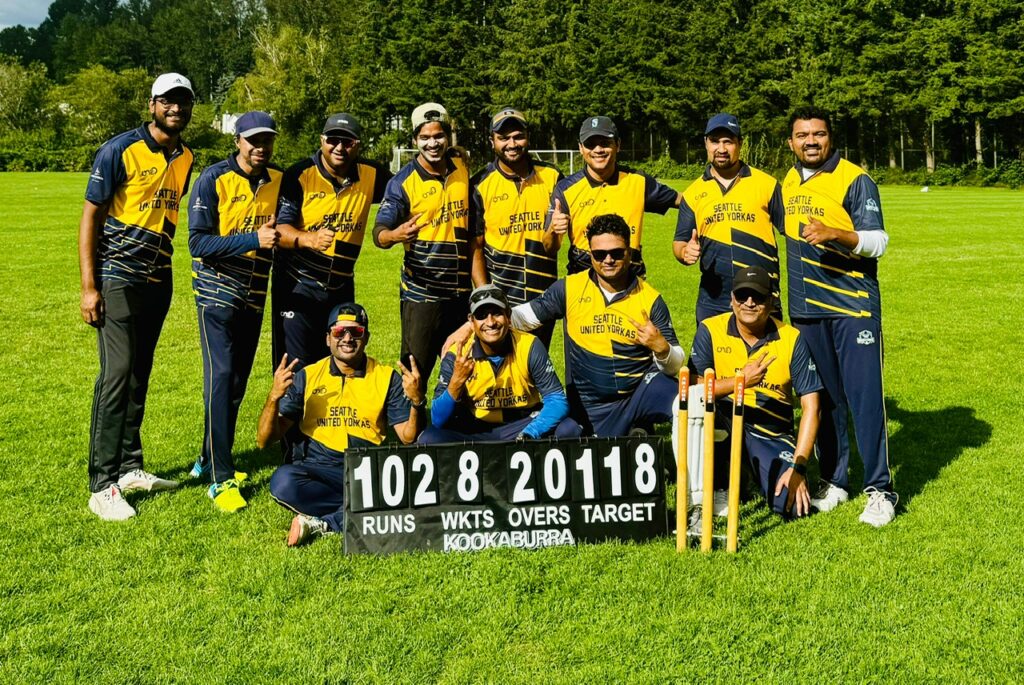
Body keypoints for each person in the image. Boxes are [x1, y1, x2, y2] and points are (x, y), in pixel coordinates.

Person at [79, 72, 195, 521]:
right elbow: (91, 218)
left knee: (139, 374)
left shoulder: (185, 156)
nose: (175, 108)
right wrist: (90, 287)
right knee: (117, 375)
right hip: (118, 277)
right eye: (167, 101)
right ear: (152, 105)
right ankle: (102, 484)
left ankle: (129, 468)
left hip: (157, 279)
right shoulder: (119, 150)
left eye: (183, 101)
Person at [459, 214, 685, 437]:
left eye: (616, 253)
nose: (608, 260)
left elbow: (675, 365)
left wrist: (662, 349)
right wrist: (471, 327)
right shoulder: (570, 288)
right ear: (590, 253)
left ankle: (683, 461)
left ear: (629, 251)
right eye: (599, 254)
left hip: (638, 393)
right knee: (574, 438)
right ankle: (634, 430)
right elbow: (522, 316)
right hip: (588, 406)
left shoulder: (650, 298)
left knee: (687, 402)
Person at [780, 107, 897, 526]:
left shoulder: (854, 178)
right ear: (791, 142)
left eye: (818, 134)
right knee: (824, 398)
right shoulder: (788, 181)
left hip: (853, 307)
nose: (811, 141)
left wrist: (837, 234)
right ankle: (835, 481)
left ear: (830, 138)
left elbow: (878, 241)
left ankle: (880, 490)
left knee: (865, 399)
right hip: (807, 311)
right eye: (802, 135)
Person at [260, 303, 424, 546]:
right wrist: (274, 397)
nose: (347, 338)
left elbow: (408, 437)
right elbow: (264, 440)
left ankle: (324, 523)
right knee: (283, 482)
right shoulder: (308, 375)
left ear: (366, 337)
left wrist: (417, 402)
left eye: (356, 332)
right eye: (339, 332)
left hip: (365, 467)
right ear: (328, 338)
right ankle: (367, 505)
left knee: (405, 485)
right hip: (319, 467)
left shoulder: (386, 377)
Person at [187, 111, 283, 512]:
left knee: (237, 381)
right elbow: (197, 243)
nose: (260, 147)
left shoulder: (278, 180)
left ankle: (207, 458)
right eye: (253, 140)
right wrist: (253, 239)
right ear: (237, 141)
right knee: (222, 376)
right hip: (216, 291)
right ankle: (220, 479)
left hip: (255, 292)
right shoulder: (213, 178)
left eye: (267, 140)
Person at [687, 266, 821, 528]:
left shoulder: (791, 338)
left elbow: (812, 407)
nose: (749, 302)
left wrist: (799, 468)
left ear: (771, 301)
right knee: (699, 413)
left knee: (792, 506)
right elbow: (693, 390)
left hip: (770, 432)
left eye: (758, 296)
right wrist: (741, 382)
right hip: (725, 421)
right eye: (742, 295)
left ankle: (749, 473)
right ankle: (712, 488)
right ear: (731, 299)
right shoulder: (710, 329)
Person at [272, 113, 392, 368]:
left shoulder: (372, 174)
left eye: (347, 142)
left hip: (341, 285)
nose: (339, 147)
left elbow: (408, 188)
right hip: (298, 284)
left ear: (358, 145)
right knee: (294, 366)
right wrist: (309, 239)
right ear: (321, 140)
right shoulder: (299, 174)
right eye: (333, 140)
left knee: (338, 362)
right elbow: (279, 231)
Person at [373, 102, 473, 393]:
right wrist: (395, 234)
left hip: (460, 294)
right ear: (414, 139)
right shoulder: (402, 182)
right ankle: (410, 420)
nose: (433, 143)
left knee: (465, 369)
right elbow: (379, 233)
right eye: (425, 137)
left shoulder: (461, 167)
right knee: (415, 371)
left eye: (438, 136)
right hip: (422, 295)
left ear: (448, 136)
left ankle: (456, 420)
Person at [420, 285, 581, 443]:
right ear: (471, 321)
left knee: (570, 429)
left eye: (497, 313)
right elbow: (438, 419)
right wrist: (456, 381)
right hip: (475, 428)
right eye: (482, 315)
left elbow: (557, 400)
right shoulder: (457, 354)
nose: (490, 322)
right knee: (430, 438)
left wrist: (530, 433)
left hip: (523, 423)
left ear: (508, 316)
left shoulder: (529, 345)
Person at [673, 114, 785, 323]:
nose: (721, 149)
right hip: (713, 300)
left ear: (740, 144)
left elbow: (792, 232)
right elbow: (679, 241)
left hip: (761, 297)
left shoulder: (767, 185)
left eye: (728, 141)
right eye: (715, 141)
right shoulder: (693, 193)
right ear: (706, 143)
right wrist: (684, 252)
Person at [469, 107, 562, 349]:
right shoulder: (479, 184)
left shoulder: (552, 176)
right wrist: (486, 296)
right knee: (501, 363)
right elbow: (476, 247)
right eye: (503, 138)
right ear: (492, 141)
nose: (512, 144)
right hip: (502, 296)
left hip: (543, 294)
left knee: (536, 359)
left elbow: (555, 242)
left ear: (528, 137)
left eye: (518, 136)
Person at [547, 116, 680, 276]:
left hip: (630, 281)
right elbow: (549, 247)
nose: (598, 150)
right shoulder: (565, 189)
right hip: (582, 281)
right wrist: (553, 230)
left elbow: (684, 201)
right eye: (590, 144)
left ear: (618, 145)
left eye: (605, 143)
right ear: (581, 148)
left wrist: (685, 238)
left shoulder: (638, 181)